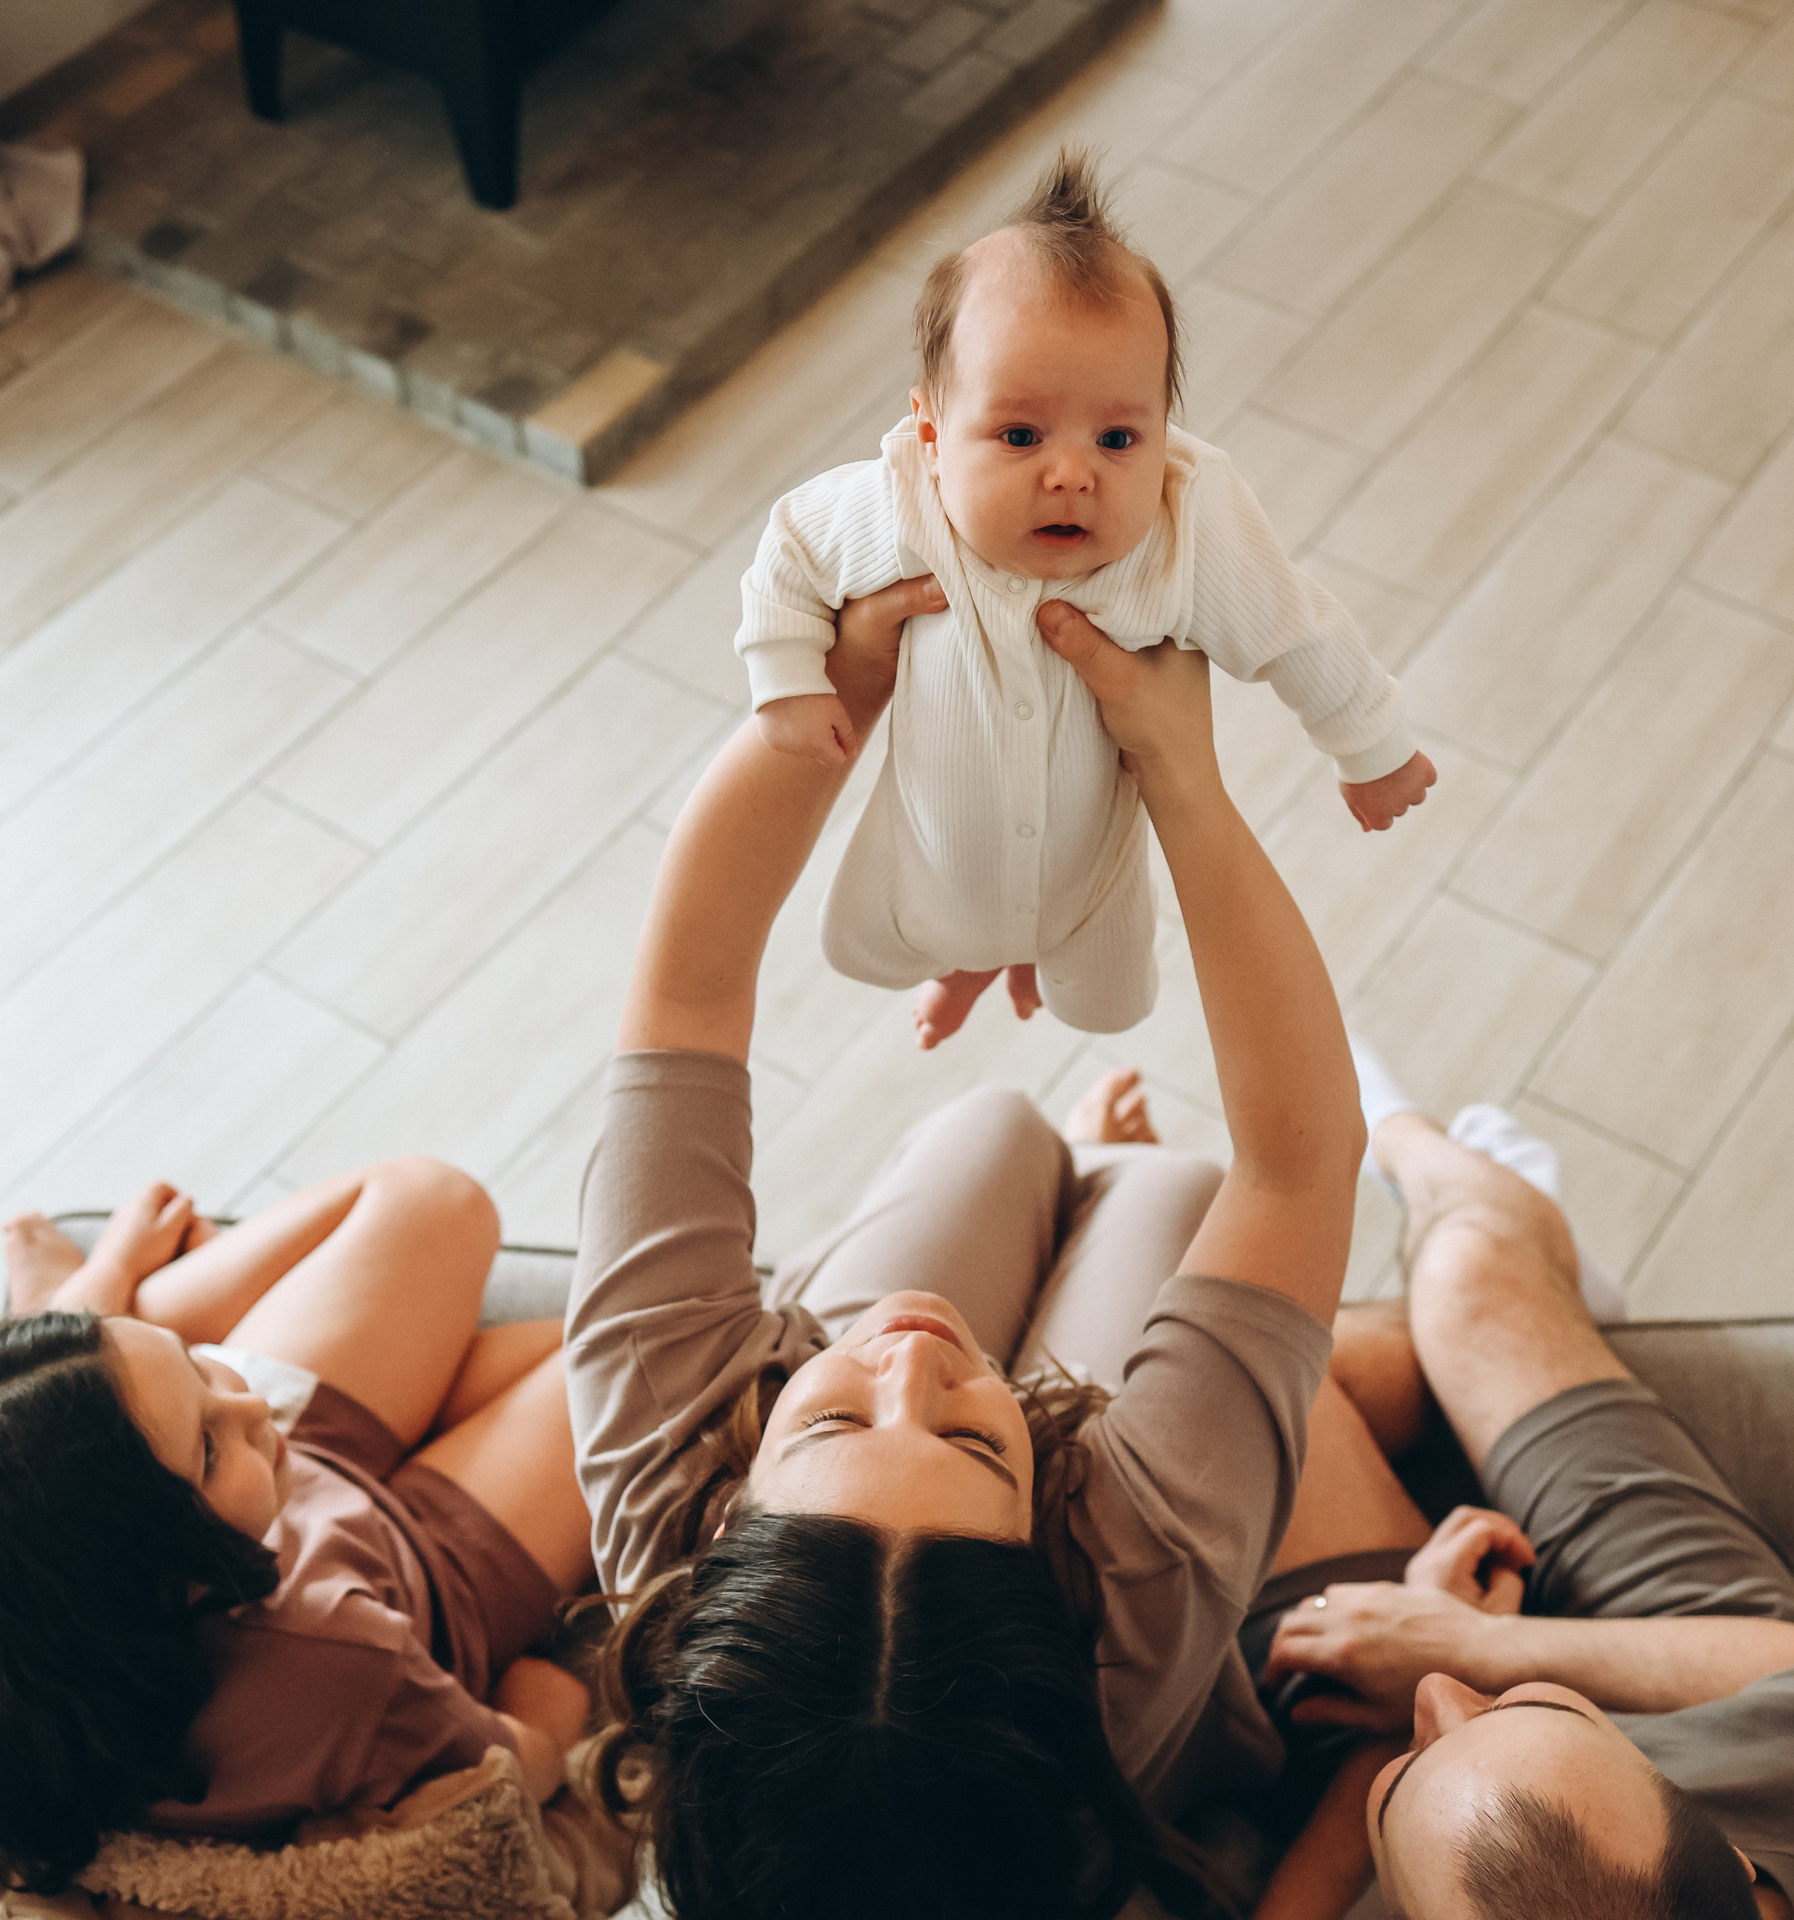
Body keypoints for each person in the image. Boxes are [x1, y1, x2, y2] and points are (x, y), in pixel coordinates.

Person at [569, 569, 1383, 1920]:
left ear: (728, 1519)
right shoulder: (1141, 1581)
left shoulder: (668, 1463)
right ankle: (1115, 1176)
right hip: (1082, 1744)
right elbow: (1302, 1165)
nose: (912, 1353)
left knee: (995, 1127)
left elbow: (689, 986)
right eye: (968, 1441)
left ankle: (1070, 1173)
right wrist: (1180, 772)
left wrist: (816, 712)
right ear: (1055, 1577)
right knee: (1169, 1186)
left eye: (831, 1429)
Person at [1237, 1052, 1794, 1920]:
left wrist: (1391, 1740)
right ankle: (1411, 1148)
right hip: (1729, 1687)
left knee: (1256, 1384)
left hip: (1379, 1751)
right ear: (1736, 1862)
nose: (1437, 1691)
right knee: (1469, 1270)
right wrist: (1477, 1649)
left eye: (1409, 1781)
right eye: (1514, 1711)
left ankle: (1546, 1273)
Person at [732, 149, 1435, 1048]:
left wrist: (1373, 747)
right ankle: (968, 966)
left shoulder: (1186, 530)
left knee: (1108, 1011)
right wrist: (788, 676)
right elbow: (789, 548)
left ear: (1164, 436)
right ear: (933, 436)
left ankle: (1009, 958)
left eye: (1117, 437)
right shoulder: (903, 505)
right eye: (1020, 434)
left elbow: (1297, 630)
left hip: (1090, 885)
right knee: (887, 940)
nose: (1072, 475)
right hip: (932, 857)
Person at [0, 1163, 596, 1894]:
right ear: (149, 1573)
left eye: (198, 1361)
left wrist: (200, 1419)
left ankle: (93, 1319)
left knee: (437, 1200)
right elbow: (504, 1777)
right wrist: (550, 1718)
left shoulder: (0, 1612)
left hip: (293, 1479)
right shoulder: (336, 1659)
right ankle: (109, 1325)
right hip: (429, 1561)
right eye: (207, 1446)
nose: (249, 1407)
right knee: (611, 1354)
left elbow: (224, 1427)